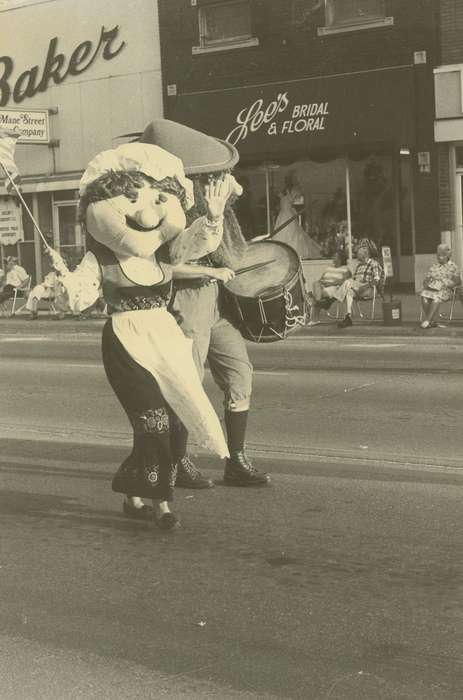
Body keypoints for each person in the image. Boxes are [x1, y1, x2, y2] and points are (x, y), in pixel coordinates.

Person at [49, 142, 232, 530]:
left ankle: (132, 491)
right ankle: (161, 504)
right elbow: (79, 297)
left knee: (172, 417)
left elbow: (196, 243)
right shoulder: (100, 258)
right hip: (125, 341)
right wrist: (65, 283)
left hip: (164, 336)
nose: (146, 212)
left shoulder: (164, 252)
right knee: (153, 421)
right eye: (129, 200)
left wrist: (213, 217)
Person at [141, 118, 270, 489]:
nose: (224, 179)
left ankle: (236, 459)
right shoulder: (168, 211)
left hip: (214, 305)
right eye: (216, 175)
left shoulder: (213, 209)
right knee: (188, 382)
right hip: (186, 301)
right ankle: (177, 463)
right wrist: (211, 274)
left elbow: (230, 214)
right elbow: (162, 268)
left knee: (240, 372)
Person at [335, 242, 385, 328]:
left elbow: (376, 280)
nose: (356, 255)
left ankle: (334, 298)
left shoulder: (374, 263)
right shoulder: (359, 266)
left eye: (358, 253)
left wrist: (363, 287)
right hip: (357, 288)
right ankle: (348, 317)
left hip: (369, 289)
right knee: (348, 291)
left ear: (365, 255)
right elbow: (353, 280)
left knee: (347, 283)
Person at [273, 172, 322, 259]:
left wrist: (288, 194)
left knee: (293, 232)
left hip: (288, 212)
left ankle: (294, 251)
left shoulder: (294, 190)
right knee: (282, 231)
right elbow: (280, 199)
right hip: (282, 213)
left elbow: (294, 200)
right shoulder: (284, 190)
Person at [419, 243, 461, 329]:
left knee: (436, 297)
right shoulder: (434, 266)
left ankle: (427, 320)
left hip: (446, 290)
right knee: (423, 295)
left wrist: (449, 283)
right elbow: (425, 281)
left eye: (441, 255)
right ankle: (433, 321)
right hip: (432, 289)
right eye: (438, 255)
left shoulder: (453, 267)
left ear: (447, 256)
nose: (438, 257)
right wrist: (427, 282)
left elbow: (458, 281)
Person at [307, 250, 351, 325]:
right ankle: (320, 301)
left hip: (335, 289)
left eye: (335, 256)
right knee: (315, 283)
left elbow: (344, 282)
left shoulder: (346, 269)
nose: (333, 257)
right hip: (323, 288)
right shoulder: (328, 269)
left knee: (315, 295)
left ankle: (315, 317)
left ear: (340, 259)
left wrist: (330, 283)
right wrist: (322, 283)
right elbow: (321, 279)